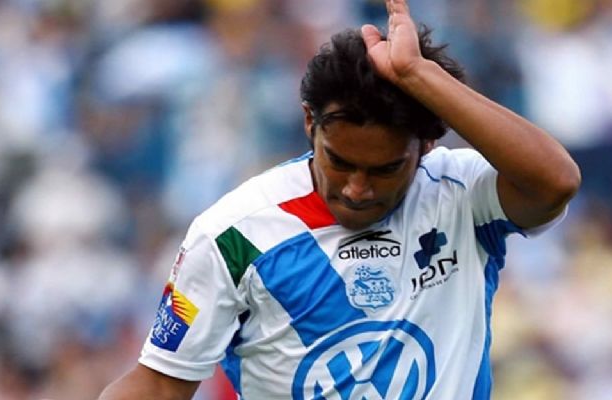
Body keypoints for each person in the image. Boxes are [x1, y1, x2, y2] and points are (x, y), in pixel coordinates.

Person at [98, 0, 581, 398]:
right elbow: (159, 384)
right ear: (310, 123)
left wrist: (418, 75)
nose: (356, 188)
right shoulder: (232, 235)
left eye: (385, 169)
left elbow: (556, 181)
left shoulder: (460, 194)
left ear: (427, 145)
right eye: (340, 162)